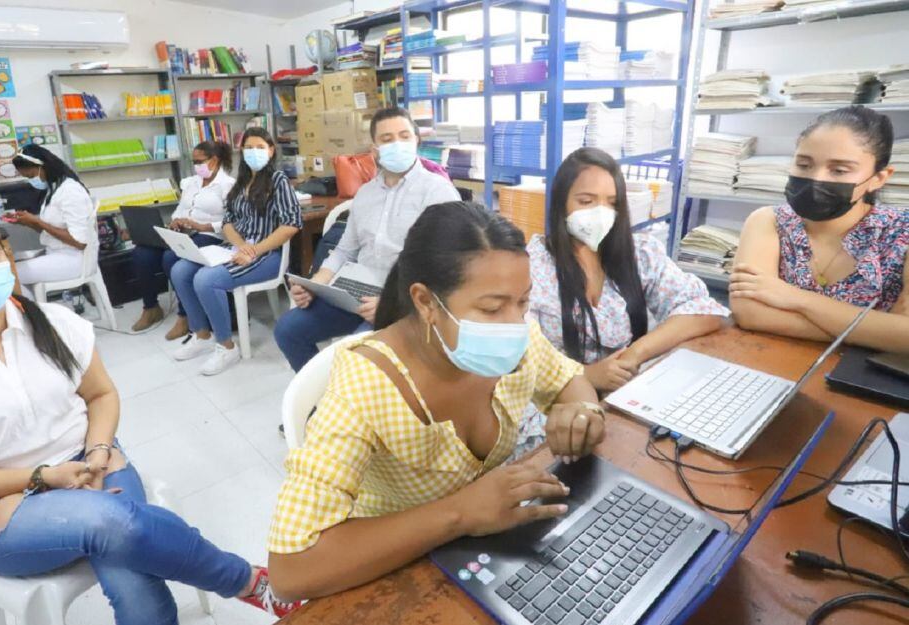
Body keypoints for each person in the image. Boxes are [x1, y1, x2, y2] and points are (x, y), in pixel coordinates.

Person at [0, 203, 301, 625]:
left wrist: (99, 450)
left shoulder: (56, 324)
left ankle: (255, 585)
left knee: (129, 570)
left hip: (92, 460)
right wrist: (42, 478)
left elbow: (101, 395)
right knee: (110, 520)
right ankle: (251, 582)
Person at [267, 202, 604, 601]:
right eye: (493, 308)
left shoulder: (516, 339)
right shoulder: (365, 385)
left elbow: (570, 380)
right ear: (426, 302)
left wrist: (584, 413)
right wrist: (461, 513)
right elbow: (290, 570)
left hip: (486, 551)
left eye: (524, 302)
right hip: (396, 561)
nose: (516, 324)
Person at [274, 107, 461, 372]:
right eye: (387, 139)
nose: (397, 143)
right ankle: (322, 406)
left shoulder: (437, 191)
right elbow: (343, 251)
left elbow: (446, 266)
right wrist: (315, 285)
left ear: (417, 140)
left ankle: (352, 404)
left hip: (405, 300)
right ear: (374, 149)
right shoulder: (365, 194)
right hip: (356, 290)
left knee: (357, 356)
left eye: (404, 135)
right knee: (288, 329)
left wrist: (394, 301)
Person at [528, 148, 728, 393]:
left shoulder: (639, 253)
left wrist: (635, 354)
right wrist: (586, 376)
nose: (600, 213)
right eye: (586, 202)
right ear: (561, 204)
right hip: (558, 399)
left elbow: (702, 310)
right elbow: (521, 359)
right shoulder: (534, 265)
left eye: (611, 203)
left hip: (626, 389)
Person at [731, 105, 909, 353]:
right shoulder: (768, 220)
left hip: (860, 379)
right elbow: (751, 314)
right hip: (772, 360)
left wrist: (795, 298)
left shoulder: (902, 232)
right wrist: (879, 331)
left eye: (839, 170)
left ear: (878, 178)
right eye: (804, 165)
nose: (816, 178)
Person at [170, 128, 302, 374]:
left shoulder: (278, 181)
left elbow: (291, 224)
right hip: (235, 248)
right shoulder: (240, 182)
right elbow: (228, 221)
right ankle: (201, 335)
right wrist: (241, 246)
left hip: (268, 255)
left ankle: (227, 346)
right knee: (180, 270)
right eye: (248, 147)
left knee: (205, 280)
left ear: (271, 150)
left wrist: (254, 250)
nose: (254, 152)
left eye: (260, 147)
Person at [131, 141, 235, 336]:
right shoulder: (192, 182)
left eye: (199, 161)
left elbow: (234, 223)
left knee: (171, 257)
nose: (196, 165)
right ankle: (151, 307)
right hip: (184, 233)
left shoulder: (228, 186)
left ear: (214, 160)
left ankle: (185, 315)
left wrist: (202, 225)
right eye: (193, 161)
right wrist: (176, 221)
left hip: (210, 236)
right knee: (142, 253)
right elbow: (181, 208)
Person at [8, 144, 97, 299]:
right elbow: (53, 232)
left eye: (30, 176)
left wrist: (39, 222)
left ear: (43, 167)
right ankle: (36, 313)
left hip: (74, 259)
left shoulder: (70, 191)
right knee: (9, 269)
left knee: (8, 276)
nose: (31, 181)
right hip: (58, 253)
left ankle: (37, 316)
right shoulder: (54, 190)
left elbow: (80, 242)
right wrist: (30, 223)